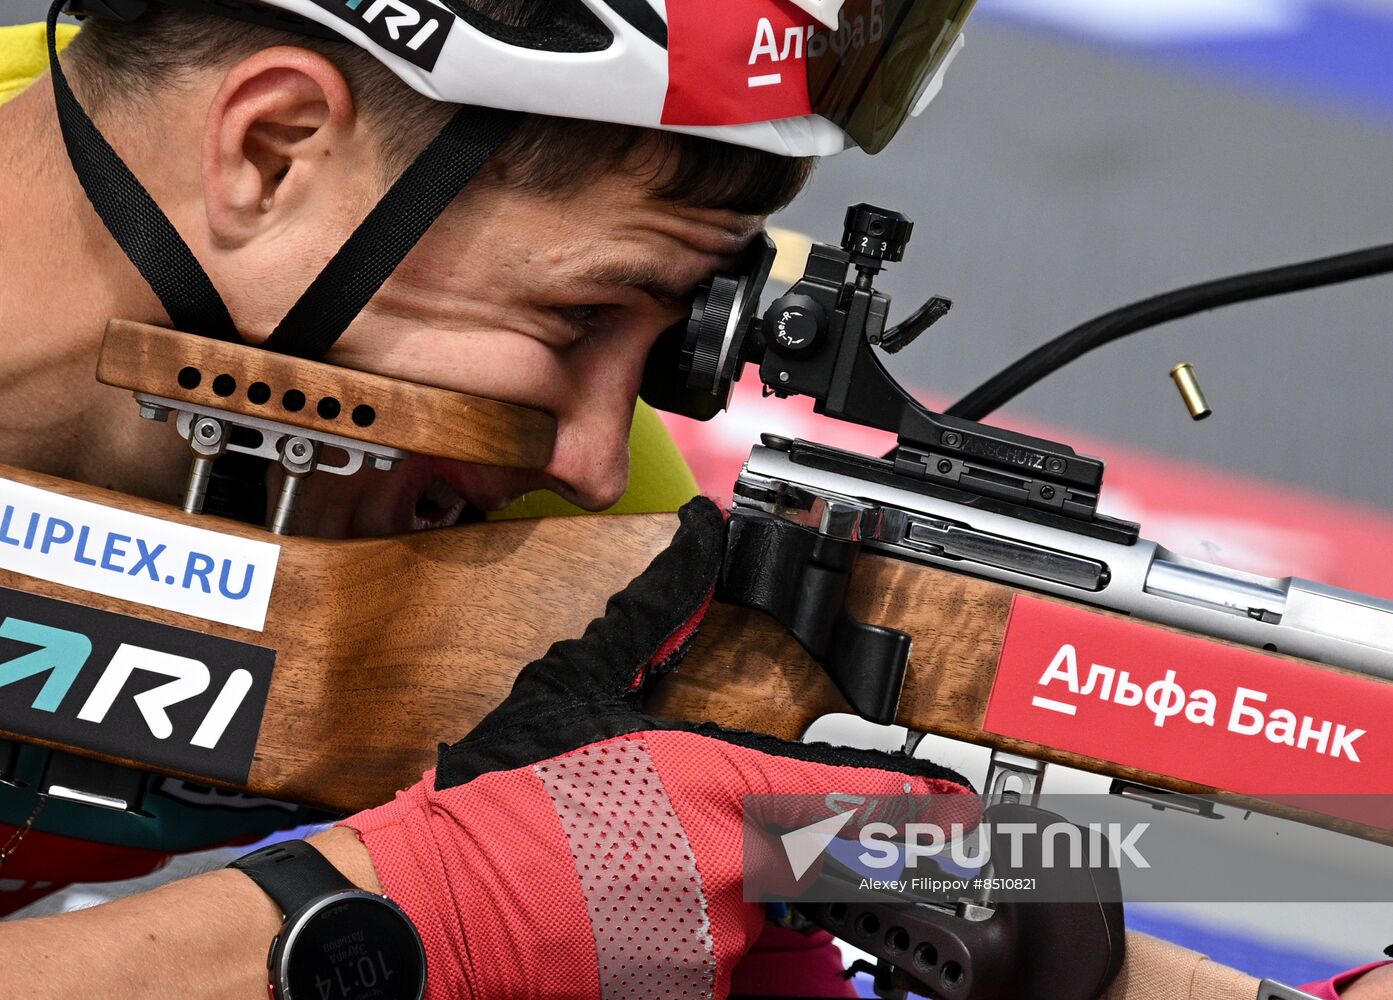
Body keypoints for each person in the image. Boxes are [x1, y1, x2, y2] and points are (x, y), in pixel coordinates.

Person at [0, 1, 1386, 997]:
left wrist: (1088, 958)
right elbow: (492, 892)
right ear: (273, 150)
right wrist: (402, 917)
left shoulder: (577, 550)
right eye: (576, 316)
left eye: (659, 344)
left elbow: (786, 845)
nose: (602, 465)